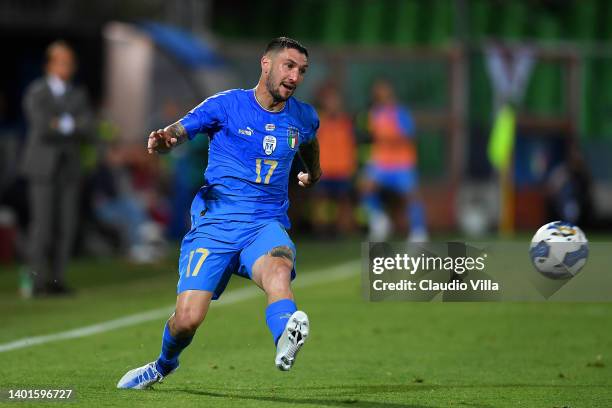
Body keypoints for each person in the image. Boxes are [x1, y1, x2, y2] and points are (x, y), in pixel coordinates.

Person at [117, 37, 321, 389]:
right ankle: (163, 365)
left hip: (264, 225)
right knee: (187, 320)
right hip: (215, 226)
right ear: (266, 64)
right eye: (289, 66)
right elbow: (181, 130)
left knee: (278, 270)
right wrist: (165, 139)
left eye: (302, 71)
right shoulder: (226, 105)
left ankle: (284, 339)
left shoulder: (303, 116)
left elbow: (310, 142)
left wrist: (312, 172)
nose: (295, 76)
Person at [21, 40, 94, 296]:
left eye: (70, 62)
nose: (67, 67)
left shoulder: (78, 94)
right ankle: (35, 281)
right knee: (42, 225)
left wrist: (61, 124)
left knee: (66, 225)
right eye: (62, 62)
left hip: (69, 167)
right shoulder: (37, 91)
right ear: (50, 64)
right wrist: (70, 125)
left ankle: (57, 280)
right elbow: (41, 127)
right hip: (43, 167)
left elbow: (88, 127)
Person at [360, 78, 427, 242]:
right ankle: (379, 220)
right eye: (378, 91)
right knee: (365, 186)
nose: (381, 94)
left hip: (401, 162)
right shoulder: (372, 113)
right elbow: (369, 137)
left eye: (384, 90)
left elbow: (409, 136)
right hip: (381, 162)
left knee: (412, 194)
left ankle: (419, 231)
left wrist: (392, 137)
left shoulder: (400, 113)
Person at [311, 84, 357, 236]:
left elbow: (352, 145)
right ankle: (321, 231)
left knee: (343, 201)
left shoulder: (347, 122)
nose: (332, 103)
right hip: (323, 169)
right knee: (321, 200)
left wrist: (352, 166)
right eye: (329, 100)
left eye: (335, 100)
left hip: (343, 169)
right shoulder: (317, 121)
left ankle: (342, 231)